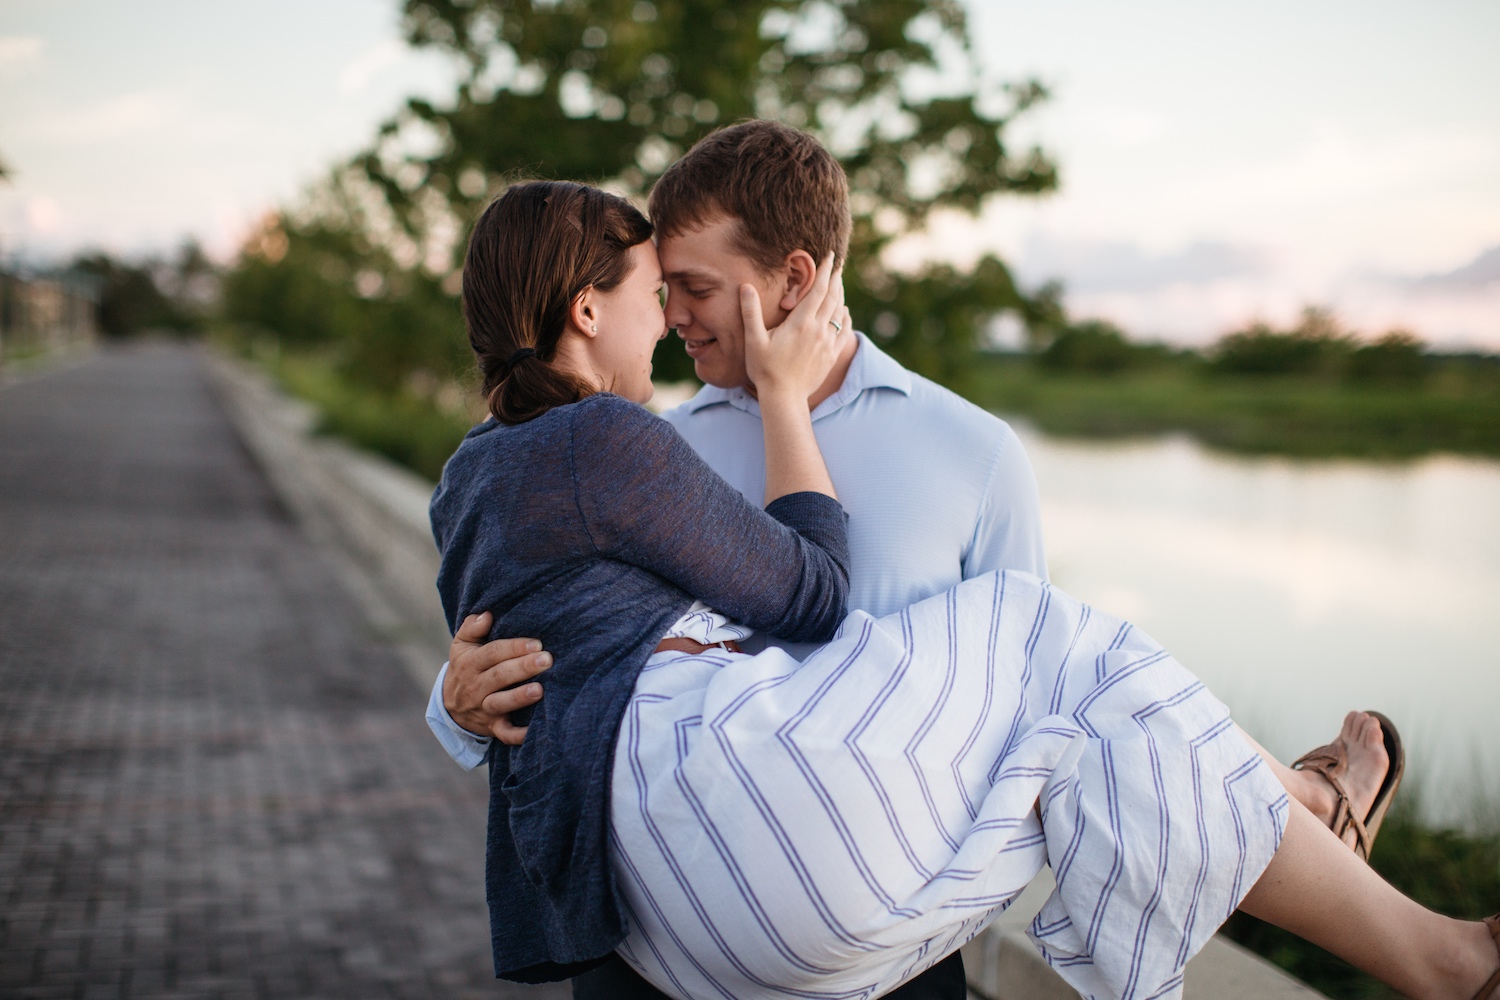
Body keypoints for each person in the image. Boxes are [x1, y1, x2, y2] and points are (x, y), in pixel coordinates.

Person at [430, 178, 1500, 1000]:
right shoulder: (625, 438)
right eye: (657, 293)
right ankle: (1345, 842)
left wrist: (459, 700)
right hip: (726, 862)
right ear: (583, 309)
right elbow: (807, 596)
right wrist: (453, 699)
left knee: (1091, 688)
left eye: (691, 290)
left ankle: (1365, 867)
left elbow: (544, 628)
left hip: (806, 905)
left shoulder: (967, 446)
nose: (669, 317)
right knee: (1060, 635)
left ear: (794, 280)